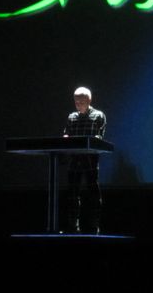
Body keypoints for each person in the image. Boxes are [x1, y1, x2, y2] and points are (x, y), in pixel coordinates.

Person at [63, 86, 106, 234]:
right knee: (72, 194)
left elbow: (100, 137)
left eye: (81, 102)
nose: (78, 105)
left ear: (89, 100)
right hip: (74, 161)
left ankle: (94, 226)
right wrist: (65, 139)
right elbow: (67, 134)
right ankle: (72, 226)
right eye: (76, 102)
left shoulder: (98, 115)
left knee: (93, 193)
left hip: (90, 161)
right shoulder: (71, 117)